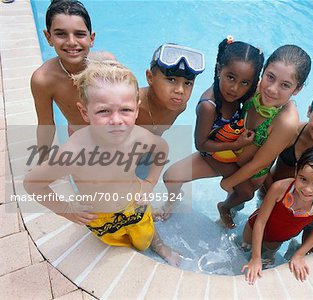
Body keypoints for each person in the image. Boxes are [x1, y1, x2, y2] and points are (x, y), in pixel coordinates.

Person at [24, 60, 180, 266]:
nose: (116, 120)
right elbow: (32, 183)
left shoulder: (138, 137)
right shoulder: (74, 152)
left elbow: (161, 147)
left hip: (135, 205)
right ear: (84, 112)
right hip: (100, 217)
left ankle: (158, 245)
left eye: (125, 110)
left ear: (136, 109)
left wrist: (149, 183)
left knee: (146, 234)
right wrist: (65, 209)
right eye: (103, 111)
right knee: (118, 251)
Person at [157, 36, 263, 220]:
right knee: (170, 177)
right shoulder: (209, 106)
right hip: (214, 155)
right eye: (231, 78)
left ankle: (226, 207)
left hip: (234, 152)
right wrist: (235, 144)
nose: (235, 88)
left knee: (246, 193)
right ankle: (172, 201)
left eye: (245, 82)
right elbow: (201, 145)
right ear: (220, 69)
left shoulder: (246, 93)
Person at [219, 45, 312, 228]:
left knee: (238, 199)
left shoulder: (287, 121)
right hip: (231, 157)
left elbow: (259, 163)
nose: (272, 89)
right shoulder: (253, 89)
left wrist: (229, 182)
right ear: (263, 70)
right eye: (270, 77)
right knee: (234, 194)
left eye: (285, 85)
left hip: (254, 174)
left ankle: (227, 209)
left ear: (297, 88)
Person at [31, 0, 115, 161]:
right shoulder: (43, 79)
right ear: (48, 37)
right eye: (61, 34)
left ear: (91, 38)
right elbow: (46, 124)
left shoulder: (106, 64)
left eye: (79, 34)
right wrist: (43, 159)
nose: (71, 42)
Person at [241, 146, 313, 284]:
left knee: (268, 260)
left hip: (277, 239)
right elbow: (261, 221)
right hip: (253, 229)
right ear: (297, 170)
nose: (307, 189)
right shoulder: (280, 189)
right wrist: (255, 257)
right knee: (243, 249)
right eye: (303, 179)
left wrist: (299, 254)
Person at [136, 43, 205, 136]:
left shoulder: (179, 107)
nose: (180, 90)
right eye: (171, 80)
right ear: (150, 77)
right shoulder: (131, 104)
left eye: (187, 83)